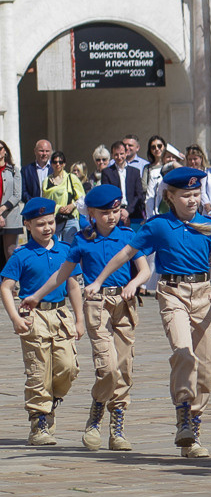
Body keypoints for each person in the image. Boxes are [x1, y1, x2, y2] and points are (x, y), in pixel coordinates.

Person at [88, 166, 211, 457]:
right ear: (170, 197)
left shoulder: (210, 225)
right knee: (183, 351)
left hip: (203, 294)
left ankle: (194, 431)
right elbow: (126, 253)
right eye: (185, 195)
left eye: (196, 193)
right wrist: (99, 280)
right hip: (172, 293)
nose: (192, 200)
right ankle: (183, 414)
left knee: (207, 367)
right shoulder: (159, 225)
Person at [19, 185, 147, 451]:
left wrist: (134, 283)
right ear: (91, 213)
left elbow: (145, 269)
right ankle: (97, 410)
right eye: (104, 213)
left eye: (115, 210)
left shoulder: (128, 235)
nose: (112, 217)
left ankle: (117, 425)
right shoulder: (81, 239)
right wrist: (36, 295)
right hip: (97, 306)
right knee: (108, 366)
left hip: (124, 304)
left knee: (124, 368)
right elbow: (62, 275)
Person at [3, 197, 80, 445]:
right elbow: (6, 287)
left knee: (68, 367)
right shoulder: (21, 255)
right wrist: (14, 317)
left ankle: (50, 401)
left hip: (60, 314)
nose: (47, 228)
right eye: (40, 224)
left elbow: (74, 285)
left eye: (50, 223)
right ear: (27, 225)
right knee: (38, 371)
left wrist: (80, 319)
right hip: (33, 317)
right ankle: (39, 423)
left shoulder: (65, 251)